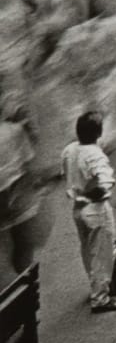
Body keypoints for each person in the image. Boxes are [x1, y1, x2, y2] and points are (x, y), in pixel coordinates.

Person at [62, 112, 116, 313]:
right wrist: (100, 191)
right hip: (95, 209)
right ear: (98, 133)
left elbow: (66, 172)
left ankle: (95, 286)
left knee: (87, 250)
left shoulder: (70, 149)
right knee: (101, 253)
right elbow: (105, 180)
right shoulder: (95, 155)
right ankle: (101, 298)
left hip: (77, 208)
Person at [0, 113, 44, 281]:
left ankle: (21, 280)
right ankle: (27, 280)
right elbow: (28, 161)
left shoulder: (13, 130)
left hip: (12, 191)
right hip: (17, 191)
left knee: (15, 244)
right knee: (23, 243)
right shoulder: (13, 130)